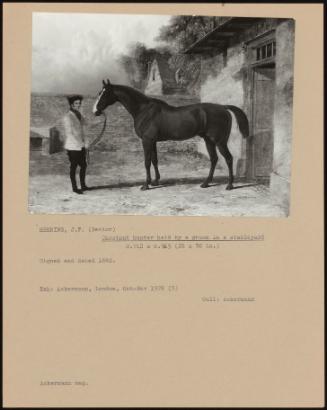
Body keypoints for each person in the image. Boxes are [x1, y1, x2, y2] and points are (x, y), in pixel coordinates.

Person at [62, 95, 90, 194]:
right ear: (71, 104)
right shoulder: (67, 117)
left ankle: (83, 185)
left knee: (84, 165)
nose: (78, 105)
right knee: (73, 167)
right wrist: (80, 143)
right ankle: (74, 188)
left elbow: (85, 127)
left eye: (79, 103)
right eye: (76, 103)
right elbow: (69, 133)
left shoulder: (79, 115)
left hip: (80, 145)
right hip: (72, 146)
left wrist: (85, 143)